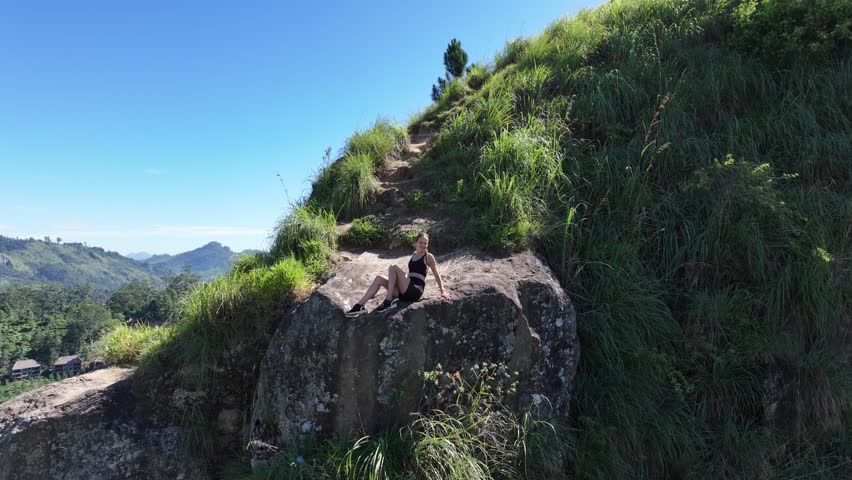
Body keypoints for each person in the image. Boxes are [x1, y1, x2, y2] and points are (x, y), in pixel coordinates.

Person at [346, 231, 449, 317]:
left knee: (393, 267)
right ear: (415, 243)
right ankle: (359, 306)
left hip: (415, 290)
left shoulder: (428, 257)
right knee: (379, 278)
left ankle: (388, 300)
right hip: (404, 292)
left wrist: (442, 291)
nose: (423, 245)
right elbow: (406, 275)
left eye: (425, 243)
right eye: (420, 242)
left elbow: (436, 274)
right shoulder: (413, 254)